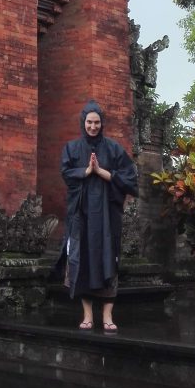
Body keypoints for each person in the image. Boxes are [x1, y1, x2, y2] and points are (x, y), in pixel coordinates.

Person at [58, 99, 138, 332]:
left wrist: (102, 172)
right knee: (82, 261)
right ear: (83, 122)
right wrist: (85, 171)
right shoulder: (72, 148)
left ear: (102, 124)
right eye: (89, 122)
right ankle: (87, 316)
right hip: (81, 216)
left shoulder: (113, 149)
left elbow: (130, 178)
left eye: (97, 122)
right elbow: (66, 174)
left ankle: (107, 317)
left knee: (108, 261)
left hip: (106, 217)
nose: (93, 126)